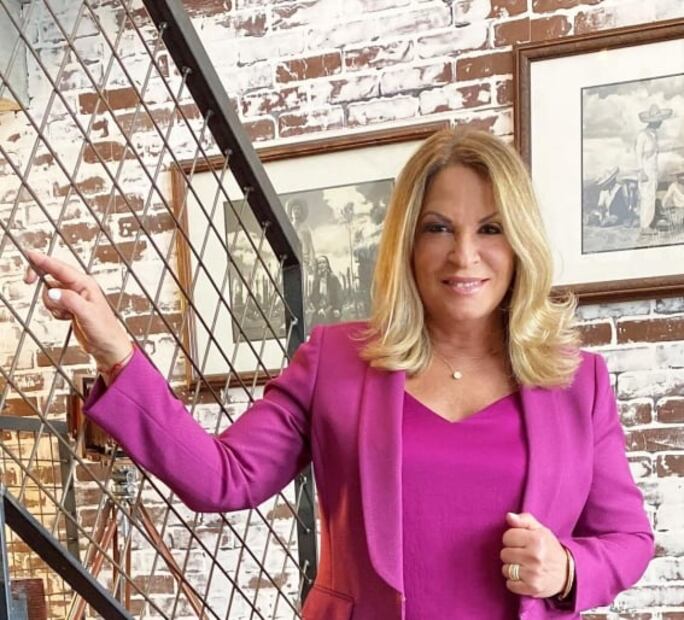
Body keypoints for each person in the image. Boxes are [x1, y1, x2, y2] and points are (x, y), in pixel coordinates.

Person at [23, 128, 654, 619]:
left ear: (520, 241)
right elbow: (224, 478)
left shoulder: (579, 383)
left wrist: (568, 569)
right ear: (408, 243)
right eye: (438, 228)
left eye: (490, 228)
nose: (464, 254)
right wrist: (115, 351)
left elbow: (627, 538)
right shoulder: (338, 361)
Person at [635, 103, 672, 235]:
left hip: (653, 170)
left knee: (651, 197)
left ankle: (648, 224)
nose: (661, 122)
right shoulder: (643, 135)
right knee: (646, 197)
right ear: (653, 122)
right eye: (659, 120)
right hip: (645, 171)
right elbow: (638, 154)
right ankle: (645, 226)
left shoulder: (654, 135)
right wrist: (641, 171)